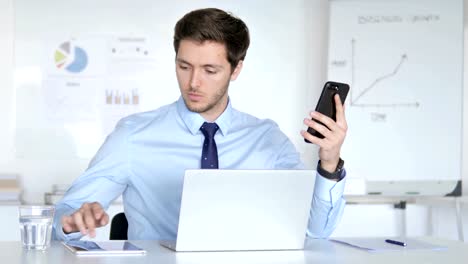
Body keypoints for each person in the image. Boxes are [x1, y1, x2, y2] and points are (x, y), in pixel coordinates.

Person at [53, 7, 348, 241]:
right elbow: (67, 214)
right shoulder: (133, 135)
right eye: (184, 67)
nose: (193, 82)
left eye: (210, 70)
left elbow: (316, 229)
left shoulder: (267, 140)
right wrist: (73, 221)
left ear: (236, 70)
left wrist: (330, 162)